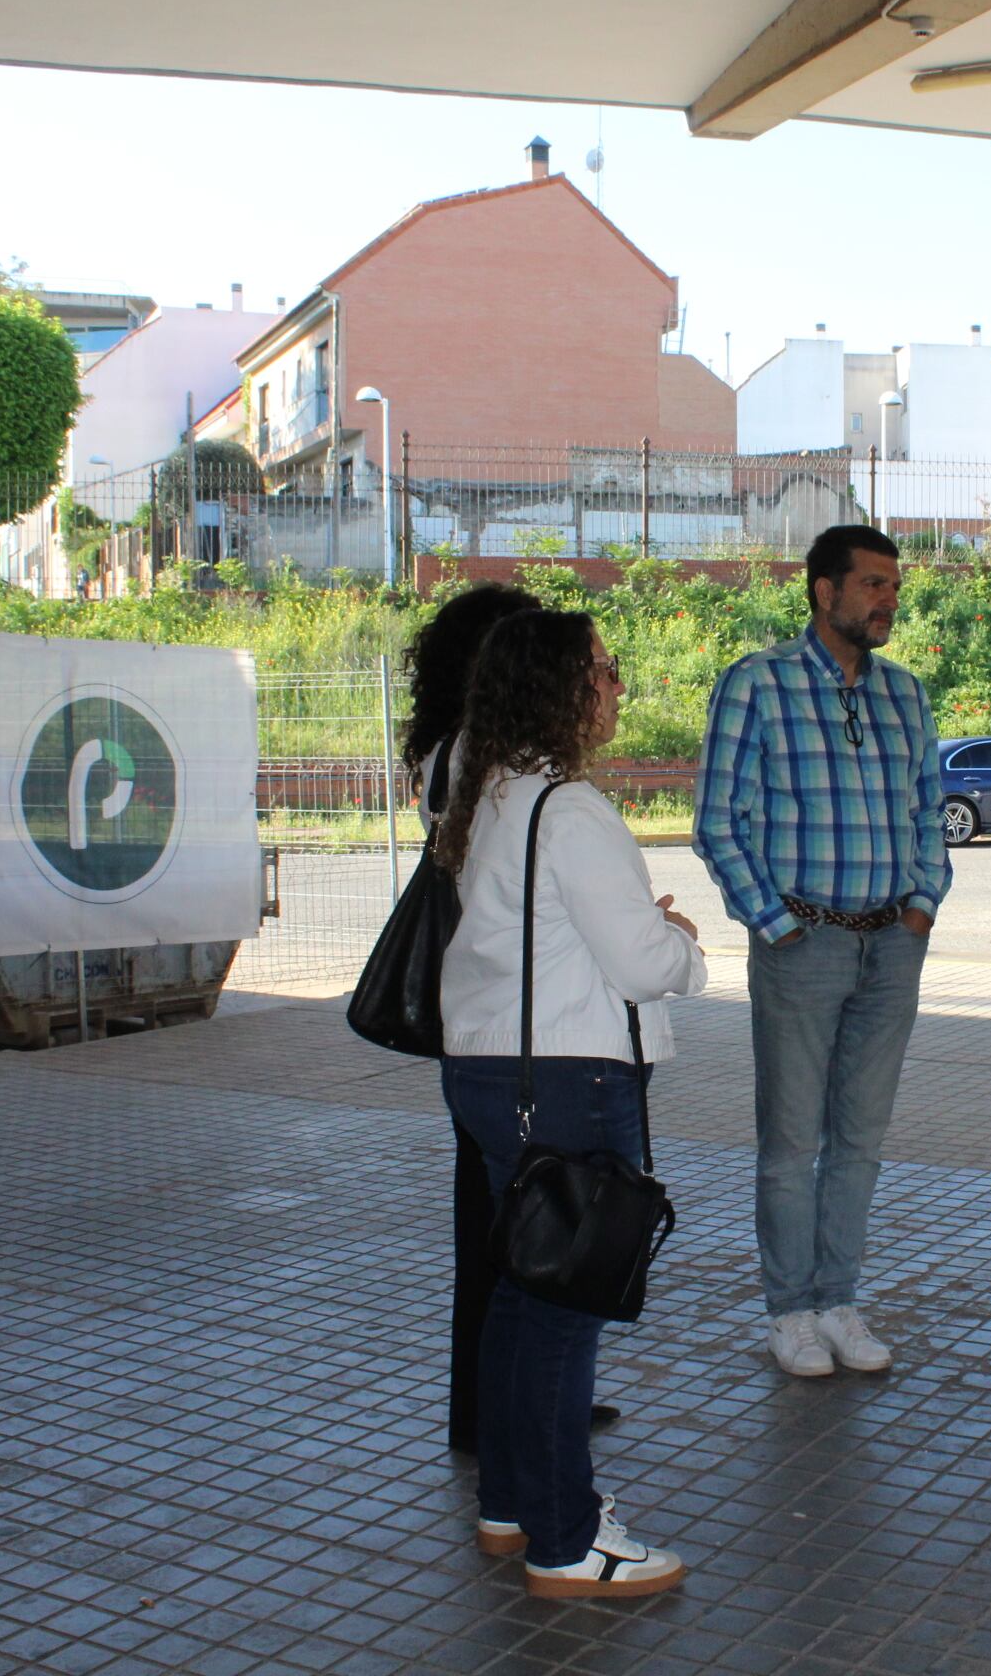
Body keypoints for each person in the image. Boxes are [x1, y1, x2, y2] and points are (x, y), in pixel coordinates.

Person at [435, 610, 707, 1598]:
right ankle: (564, 1539)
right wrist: (686, 948)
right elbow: (640, 959)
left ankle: (511, 1505)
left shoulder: (493, 793)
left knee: (523, 1295)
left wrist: (638, 927)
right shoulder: (570, 808)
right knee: (563, 1314)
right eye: (605, 667)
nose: (619, 684)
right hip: (570, 1079)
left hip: (491, 1074)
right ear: (563, 686)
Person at [694, 524, 950, 1379]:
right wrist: (775, 924)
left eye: (895, 585)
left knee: (861, 1140)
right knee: (789, 1142)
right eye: (874, 584)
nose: (889, 600)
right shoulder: (757, 685)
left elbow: (927, 812)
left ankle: (839, 1300)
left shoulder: (906, 694)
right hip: (801, 944)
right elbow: (719, 822)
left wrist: (921, 905)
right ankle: (789, 1313)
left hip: (891, 947)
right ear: (824, 591)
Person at [400, 583, 566, 1458]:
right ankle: (497, 1408)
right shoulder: (479, 753)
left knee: (491, 1210)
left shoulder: (441, 747)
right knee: (504, 1219)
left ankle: (498, 1400)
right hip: (495, 1008)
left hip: (467, 1009)